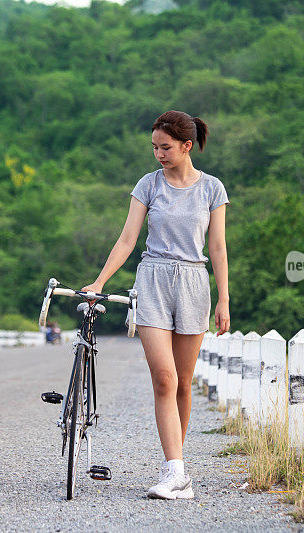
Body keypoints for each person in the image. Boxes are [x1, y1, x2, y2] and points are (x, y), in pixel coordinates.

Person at [81, 110, 230, 500]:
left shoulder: (212, 189)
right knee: (164, 378)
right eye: (154, 148)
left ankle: (178, 474)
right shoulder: (148, 186)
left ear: (186, 145)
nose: (159, 154)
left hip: (195, 283)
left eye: (165, 148)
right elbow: (127, 239)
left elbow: (216, 247)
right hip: (153, 279)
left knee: (183, 384)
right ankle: (174, 471)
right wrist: (99, 282)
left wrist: (225, 298)